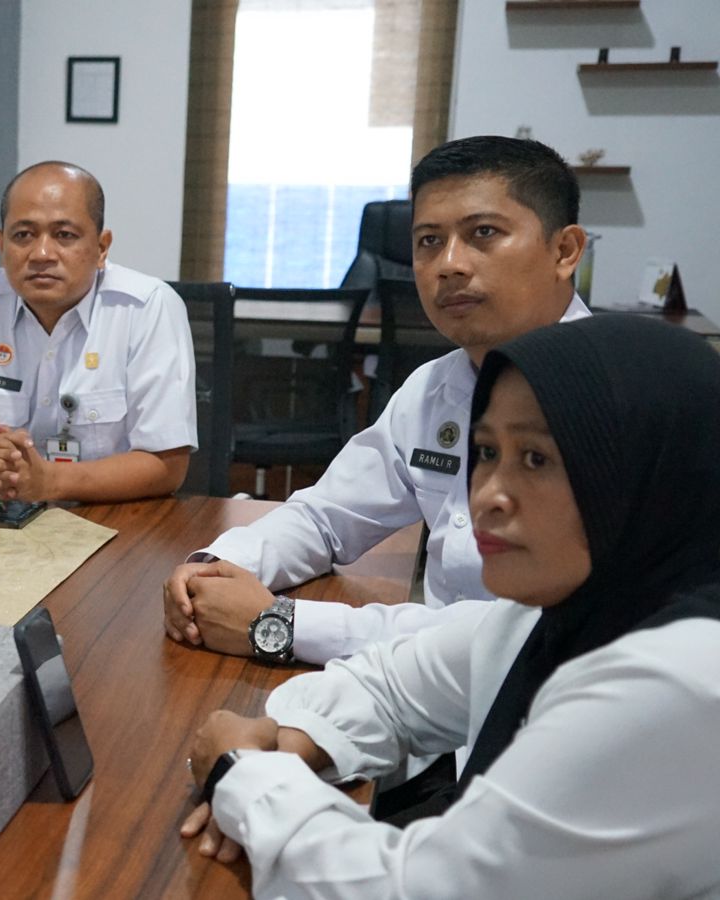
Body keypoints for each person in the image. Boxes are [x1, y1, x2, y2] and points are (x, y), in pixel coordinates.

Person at [179, 316, 720, 898]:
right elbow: (391, 685)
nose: (486, 494)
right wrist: (291, 740)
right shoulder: (567, 604)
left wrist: (241, 775)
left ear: (650, 472)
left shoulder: (674, 683)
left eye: (535, 459)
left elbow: (420, 889)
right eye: (485, 451)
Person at [163, 136, 589, 665]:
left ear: (564, 251)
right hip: (421, 691)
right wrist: (216, 567)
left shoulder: (621, 401)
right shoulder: (433, 388)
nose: (449, 264)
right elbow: (327, 517)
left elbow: (527, 632)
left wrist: (283, 624)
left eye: (483, 233)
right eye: (429, 240)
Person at [0, 161, 195, 504]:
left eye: (64, 235)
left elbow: (166, 464)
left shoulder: (147, 308)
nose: (42, 254)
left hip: (110, 515)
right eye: (23, 235)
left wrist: (50, 482)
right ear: (1, 244)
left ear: (102, 247)